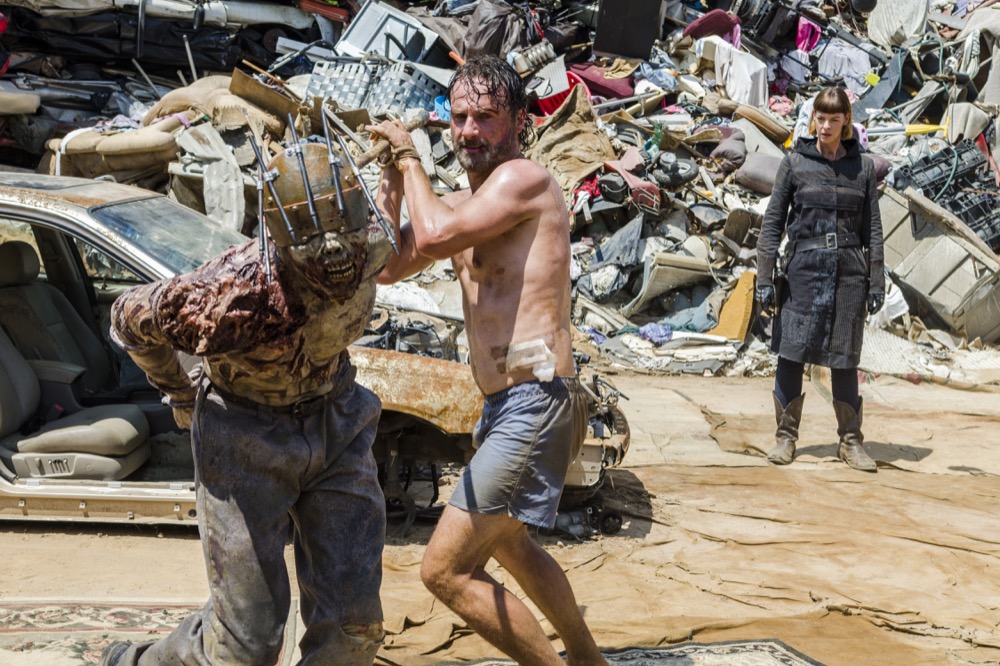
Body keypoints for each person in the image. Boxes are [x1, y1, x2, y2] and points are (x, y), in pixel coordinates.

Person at [99, 136, 392, 665]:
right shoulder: (230, 295)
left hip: (337, 420)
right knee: (249, 641)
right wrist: (178, 392)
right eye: (310, 241)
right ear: (278, 238)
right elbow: (128, 317)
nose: (333, 255)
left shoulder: (375, 241)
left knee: (356, 628)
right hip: (243, 437)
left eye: (344, 233)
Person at [368, 55, 608, 666]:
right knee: (512, 548)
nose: (469, 131)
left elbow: (433, 238)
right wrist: (394, 182)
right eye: (460, 117)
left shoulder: (523, 180)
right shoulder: (458, 204)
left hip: (536, 396)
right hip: (506, 404)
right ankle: (588, 661)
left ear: (521, 121)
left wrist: (412, 159)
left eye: (487, 117)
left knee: (443, 570)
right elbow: (390, 264)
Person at [755, 86, 885, 472]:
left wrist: (875, 281)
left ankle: (850, 442)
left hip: (848, 275)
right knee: (792, 354)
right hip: (804, 273)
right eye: (820, 117)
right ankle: (785, 438)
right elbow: (773, 223)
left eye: (833, 118)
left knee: (845, 358)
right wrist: (764, 277)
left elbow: (873, 230)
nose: (825, 125)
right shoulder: (796, 162)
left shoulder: (861, 168)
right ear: (813, 119)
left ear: (846, 120)